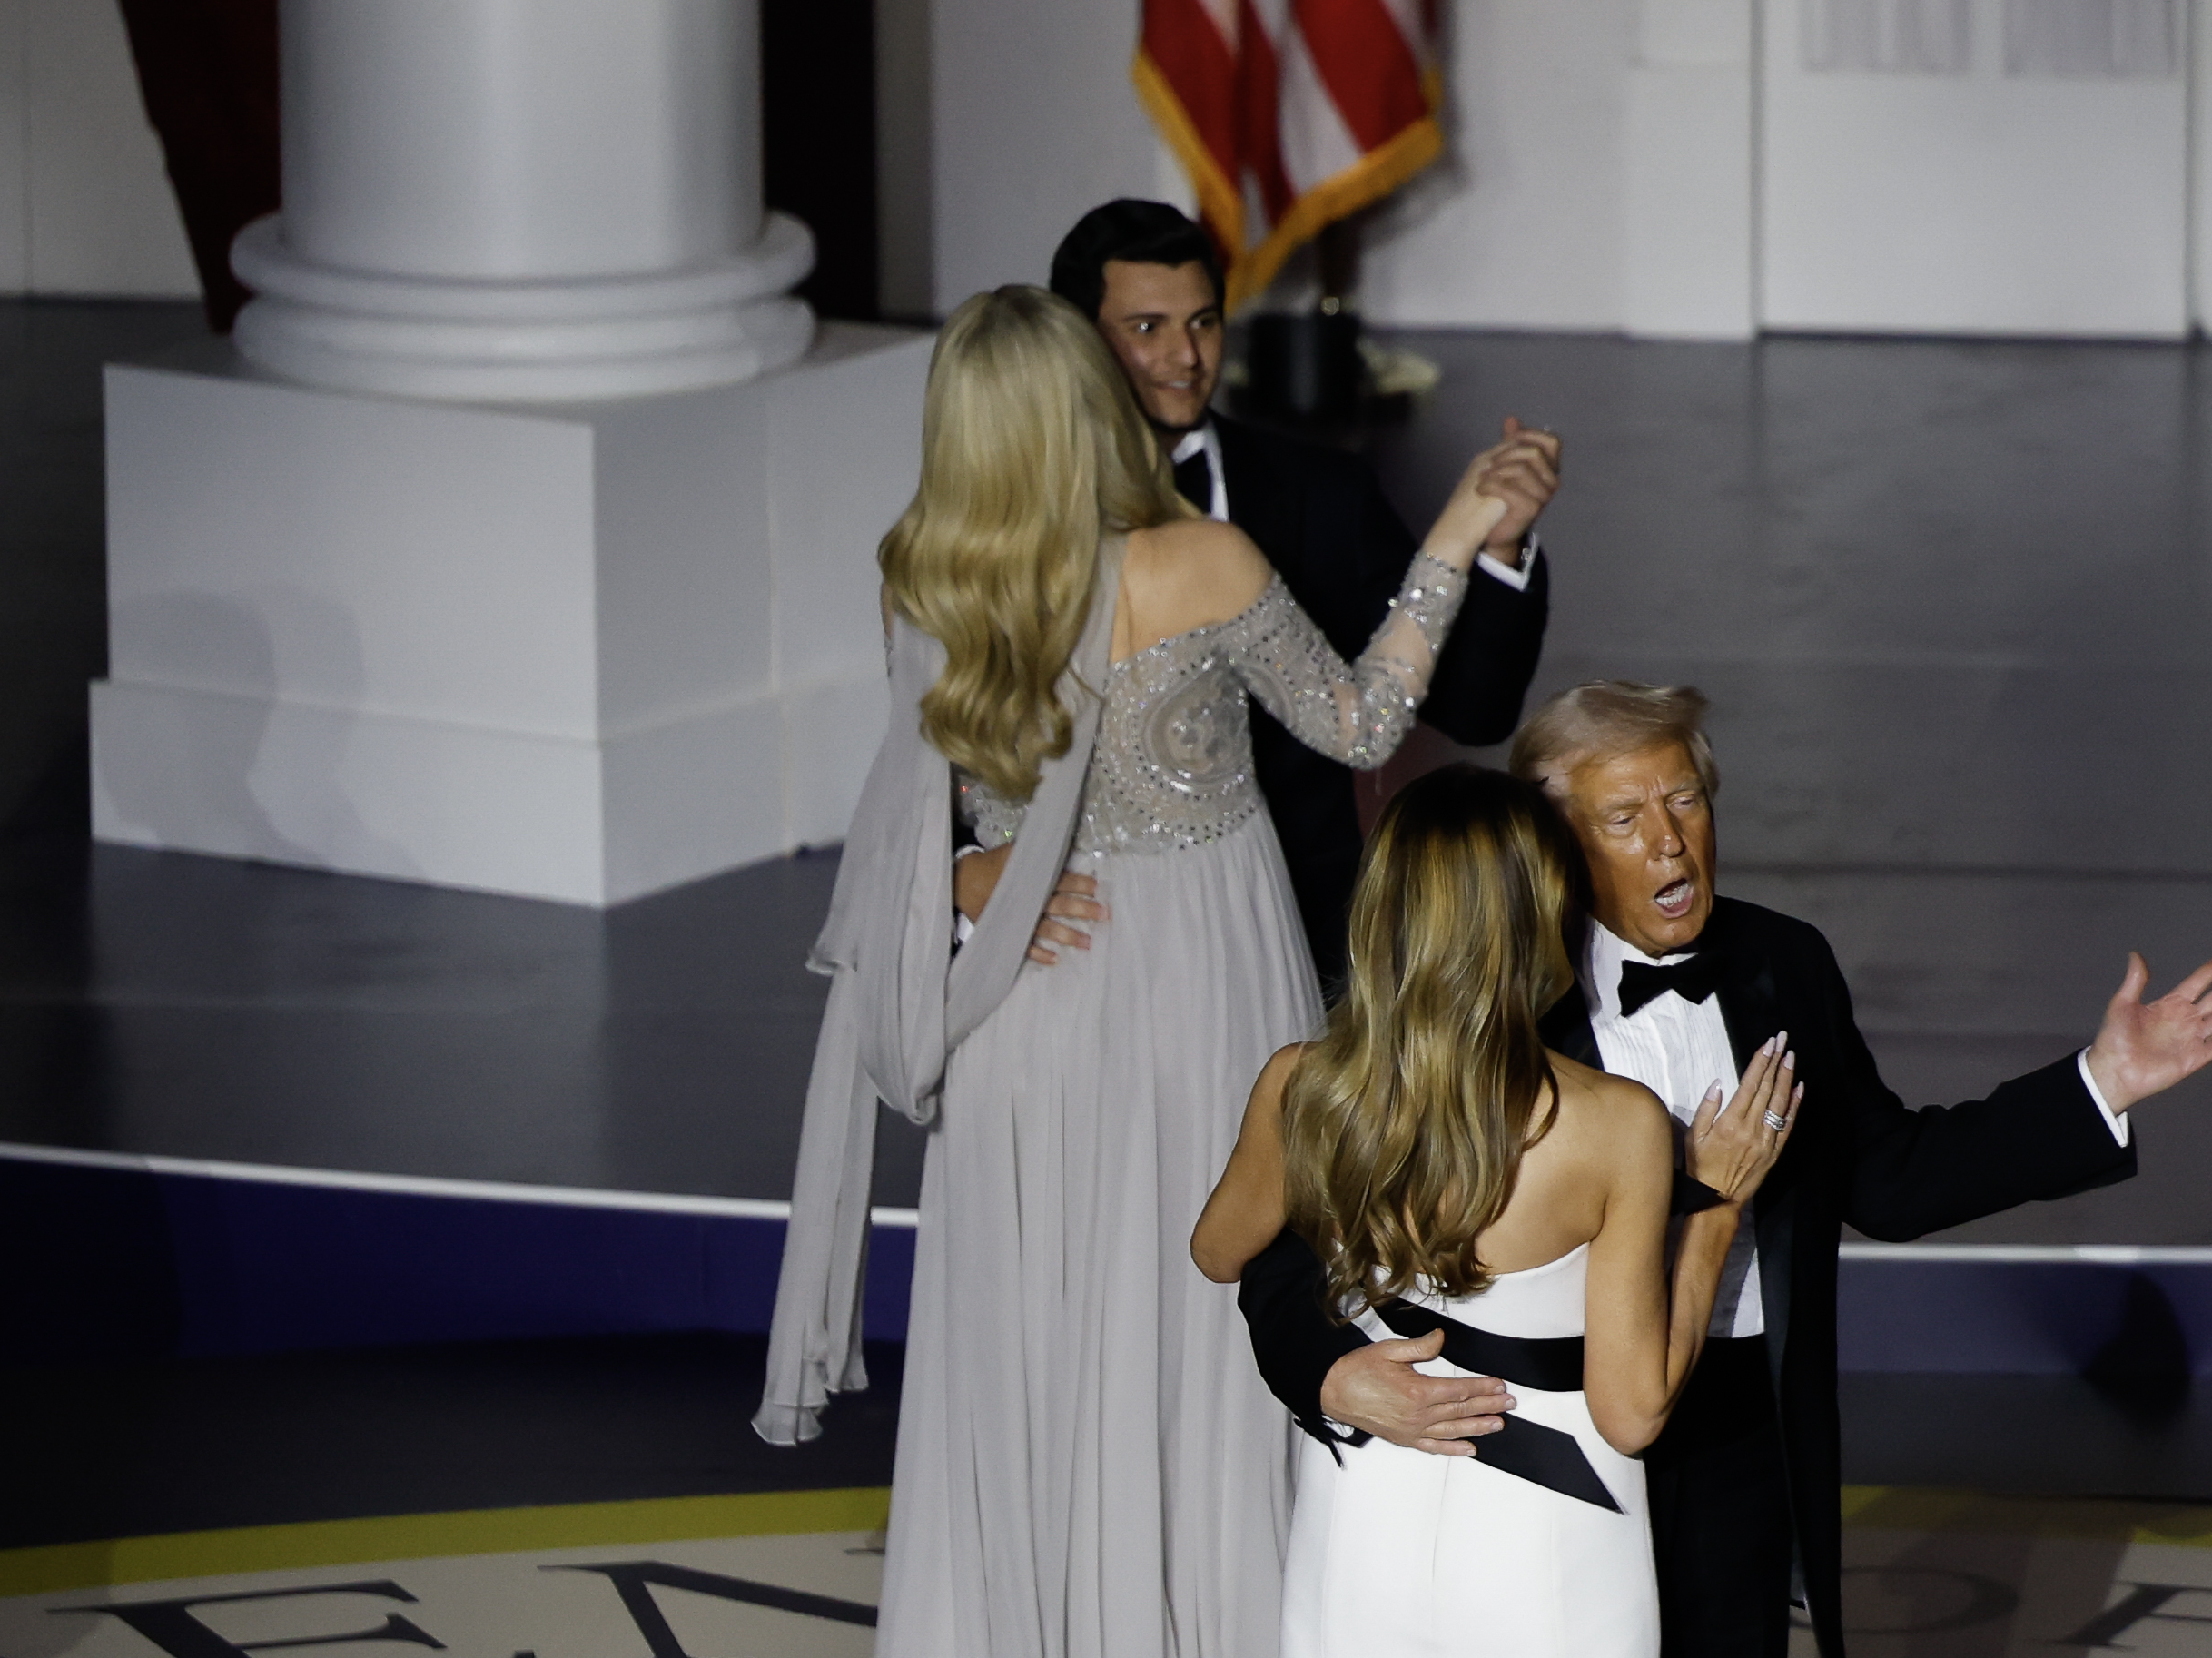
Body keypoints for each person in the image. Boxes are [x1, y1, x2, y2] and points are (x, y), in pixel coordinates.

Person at [755, 285, 1525, 1658]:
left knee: (1030, 1347)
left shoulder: (920, 575)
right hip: (1204, 987)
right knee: (1204, 1315)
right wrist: (1457, 535)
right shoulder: (1201, 559)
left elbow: (901, 812)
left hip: (1023, 1004)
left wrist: (954, 879)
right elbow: (1361, 724)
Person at [1236, 682, 2212, 1658]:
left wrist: (2099, 1083)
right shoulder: (1497, 995)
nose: (1671, 838)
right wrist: (1325, 1372)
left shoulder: (1785, 963)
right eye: (1627, 815)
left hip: (1740, 1422)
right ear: (1552, 844)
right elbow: (1291, 1243)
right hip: (1544, 1427)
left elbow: (1887, 1175)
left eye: (1685, 798)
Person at [1192, 767, 1801, 1658]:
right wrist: (1713, 1206)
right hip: (1555, 1543)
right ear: (1542, 912)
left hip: (1365, 1518)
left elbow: (1220, 1249)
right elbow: (1631, 1411)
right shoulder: (1618, 1123)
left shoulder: (1303, 1085)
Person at [1046, 198, 1558, 991]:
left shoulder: (1320, 493)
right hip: (1086, 942)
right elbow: (960, 733)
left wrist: (1496, 547)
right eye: (1146, 328)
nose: (1186, 356)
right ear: (1076, 341)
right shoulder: (1023, 520)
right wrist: (970, 874)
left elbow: (1475, 711)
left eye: (1205, 323)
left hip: (1298, 935)